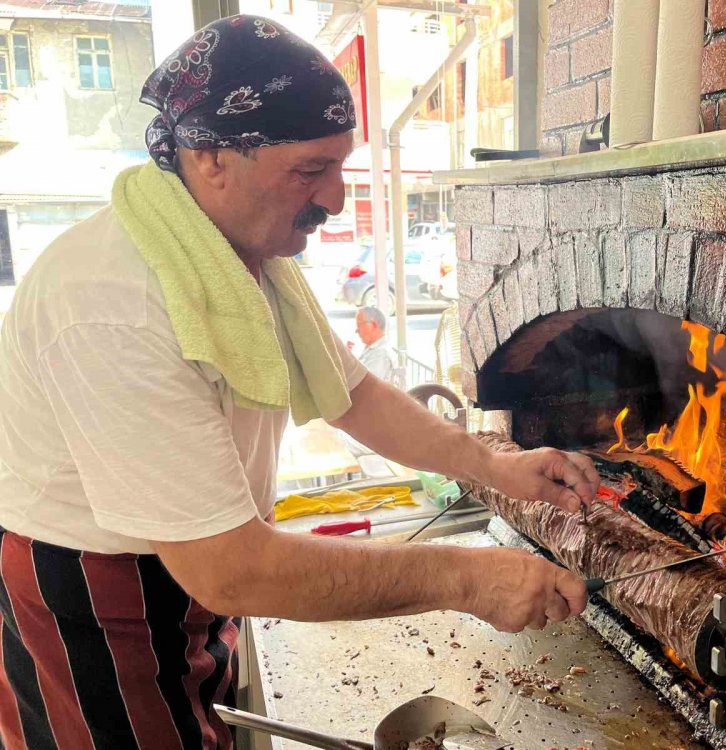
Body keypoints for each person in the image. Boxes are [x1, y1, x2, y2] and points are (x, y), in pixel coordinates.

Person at [0, 16, 598, 750]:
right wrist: (473, 581)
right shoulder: (112, 302)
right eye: (311, 171)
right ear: (212, 156)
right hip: (95, 602)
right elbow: (232, 570)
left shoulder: (242, 257)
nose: (337, 200)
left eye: (340, 167)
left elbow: (355, 395)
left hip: (183, 576)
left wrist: (492, 466)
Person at [355, 305, 394, 382]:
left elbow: (368, 385)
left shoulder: (381, 353)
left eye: (359, 325)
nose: (357, 330)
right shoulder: (372, 349)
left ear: (373, 325)